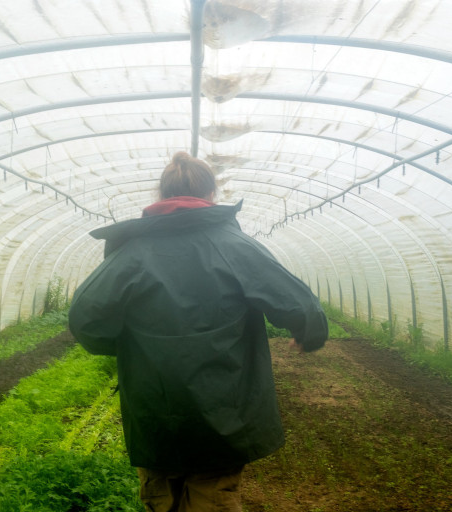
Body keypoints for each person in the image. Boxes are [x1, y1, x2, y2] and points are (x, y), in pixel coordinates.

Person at [68, 151, 328, 512]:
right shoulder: (232, 245)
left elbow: (85, 318)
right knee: (211, 495)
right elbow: (299, 304)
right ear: (211, 196)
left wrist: (128, 346)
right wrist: (309, 332)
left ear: (160, 196)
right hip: (223, 409)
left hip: (152, 408)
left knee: (162, 498)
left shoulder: (133, 251)